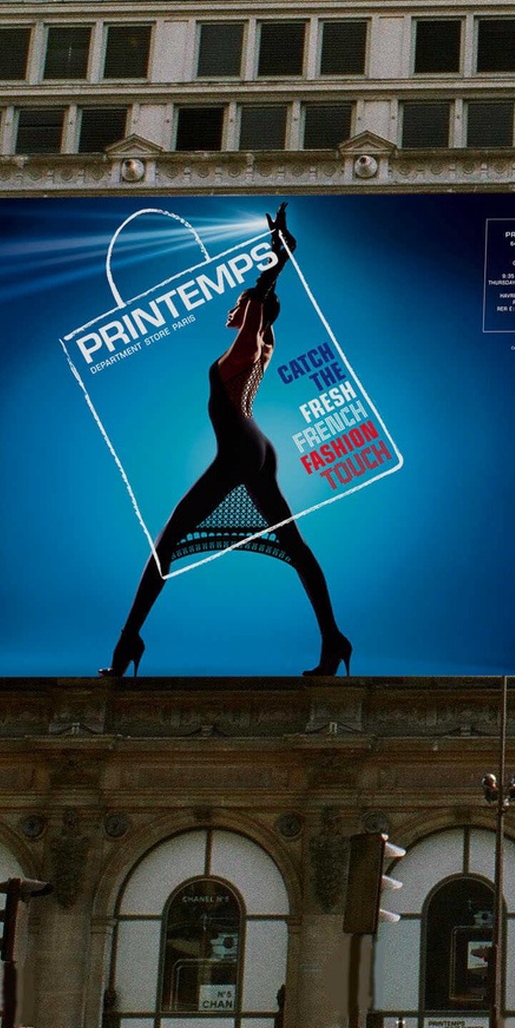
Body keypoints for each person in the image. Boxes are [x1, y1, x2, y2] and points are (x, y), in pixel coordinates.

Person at [100, 206, 349, 678]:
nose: (230, 311)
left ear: (251, 311)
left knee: (166, 544)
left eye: (237, 306)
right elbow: (264, 312)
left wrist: (275, 261)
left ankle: (128, 641)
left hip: (240, 445)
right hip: (257, 447)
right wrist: (278, 257)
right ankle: (334, 640)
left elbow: (259, 304)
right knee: (295, 547)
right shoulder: (263, 344)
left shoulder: (246, 347)